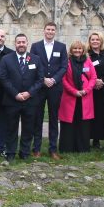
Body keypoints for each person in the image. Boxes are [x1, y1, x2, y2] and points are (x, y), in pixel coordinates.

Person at [0, 34, 44, 160]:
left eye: (23, 42)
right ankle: (11, 152)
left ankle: (25, 153)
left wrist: (29, 93)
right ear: (15, 43)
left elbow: (40, 80)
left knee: (28, 128)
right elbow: (2, 78)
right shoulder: (6, 59)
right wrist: (15, 94)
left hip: (30, 100)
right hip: (12, 100)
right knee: (11, 128)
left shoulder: (36, 59)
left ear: (27, 43)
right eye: (19, 42)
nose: (21, 44)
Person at [30, 22, 68, 159]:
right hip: (40, 87)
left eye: (52, 30)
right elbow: (33, 64)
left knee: (53, 118)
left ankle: (53, 149)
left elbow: (64, 67)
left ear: (55, 32)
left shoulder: (61, 47)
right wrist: (43, 78)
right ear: (44, 30)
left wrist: (54, 79)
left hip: (55, 87)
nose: (50, 32)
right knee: (38, 118)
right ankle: (36, 149)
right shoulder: (36, 46)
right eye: (48, 29)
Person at [58, 40, 96, 154]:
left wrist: (86, 90)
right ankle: (67, 148)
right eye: (75, 48)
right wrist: (74, 91)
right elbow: (63, 79)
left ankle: (83, 148)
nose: (77, 51)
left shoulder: (88, 62)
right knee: (69, 124)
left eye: (79, 49)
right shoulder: (67, 62)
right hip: (70, 97)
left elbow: (93, 78)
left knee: (83, 124)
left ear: (83, 50)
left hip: (85, 97)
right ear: (71, 50)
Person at [87, 32, 104, 150]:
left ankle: (97, 139)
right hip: (90, 88)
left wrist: (101, 80)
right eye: (92, 39)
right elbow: (84, 70)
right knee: (90, 114)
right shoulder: (87, 55)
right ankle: (88, 137)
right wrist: (94, 81)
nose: (95, 41)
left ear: (101, 41)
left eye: (97, 39)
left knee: (102, 114)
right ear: (89, 41)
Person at [0, 29, 14, 157]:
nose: (0, 38)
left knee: (4, 121)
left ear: (5, 38)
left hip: (4, 93)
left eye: (2, 36)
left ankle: (2, 146)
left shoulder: (10, 54)